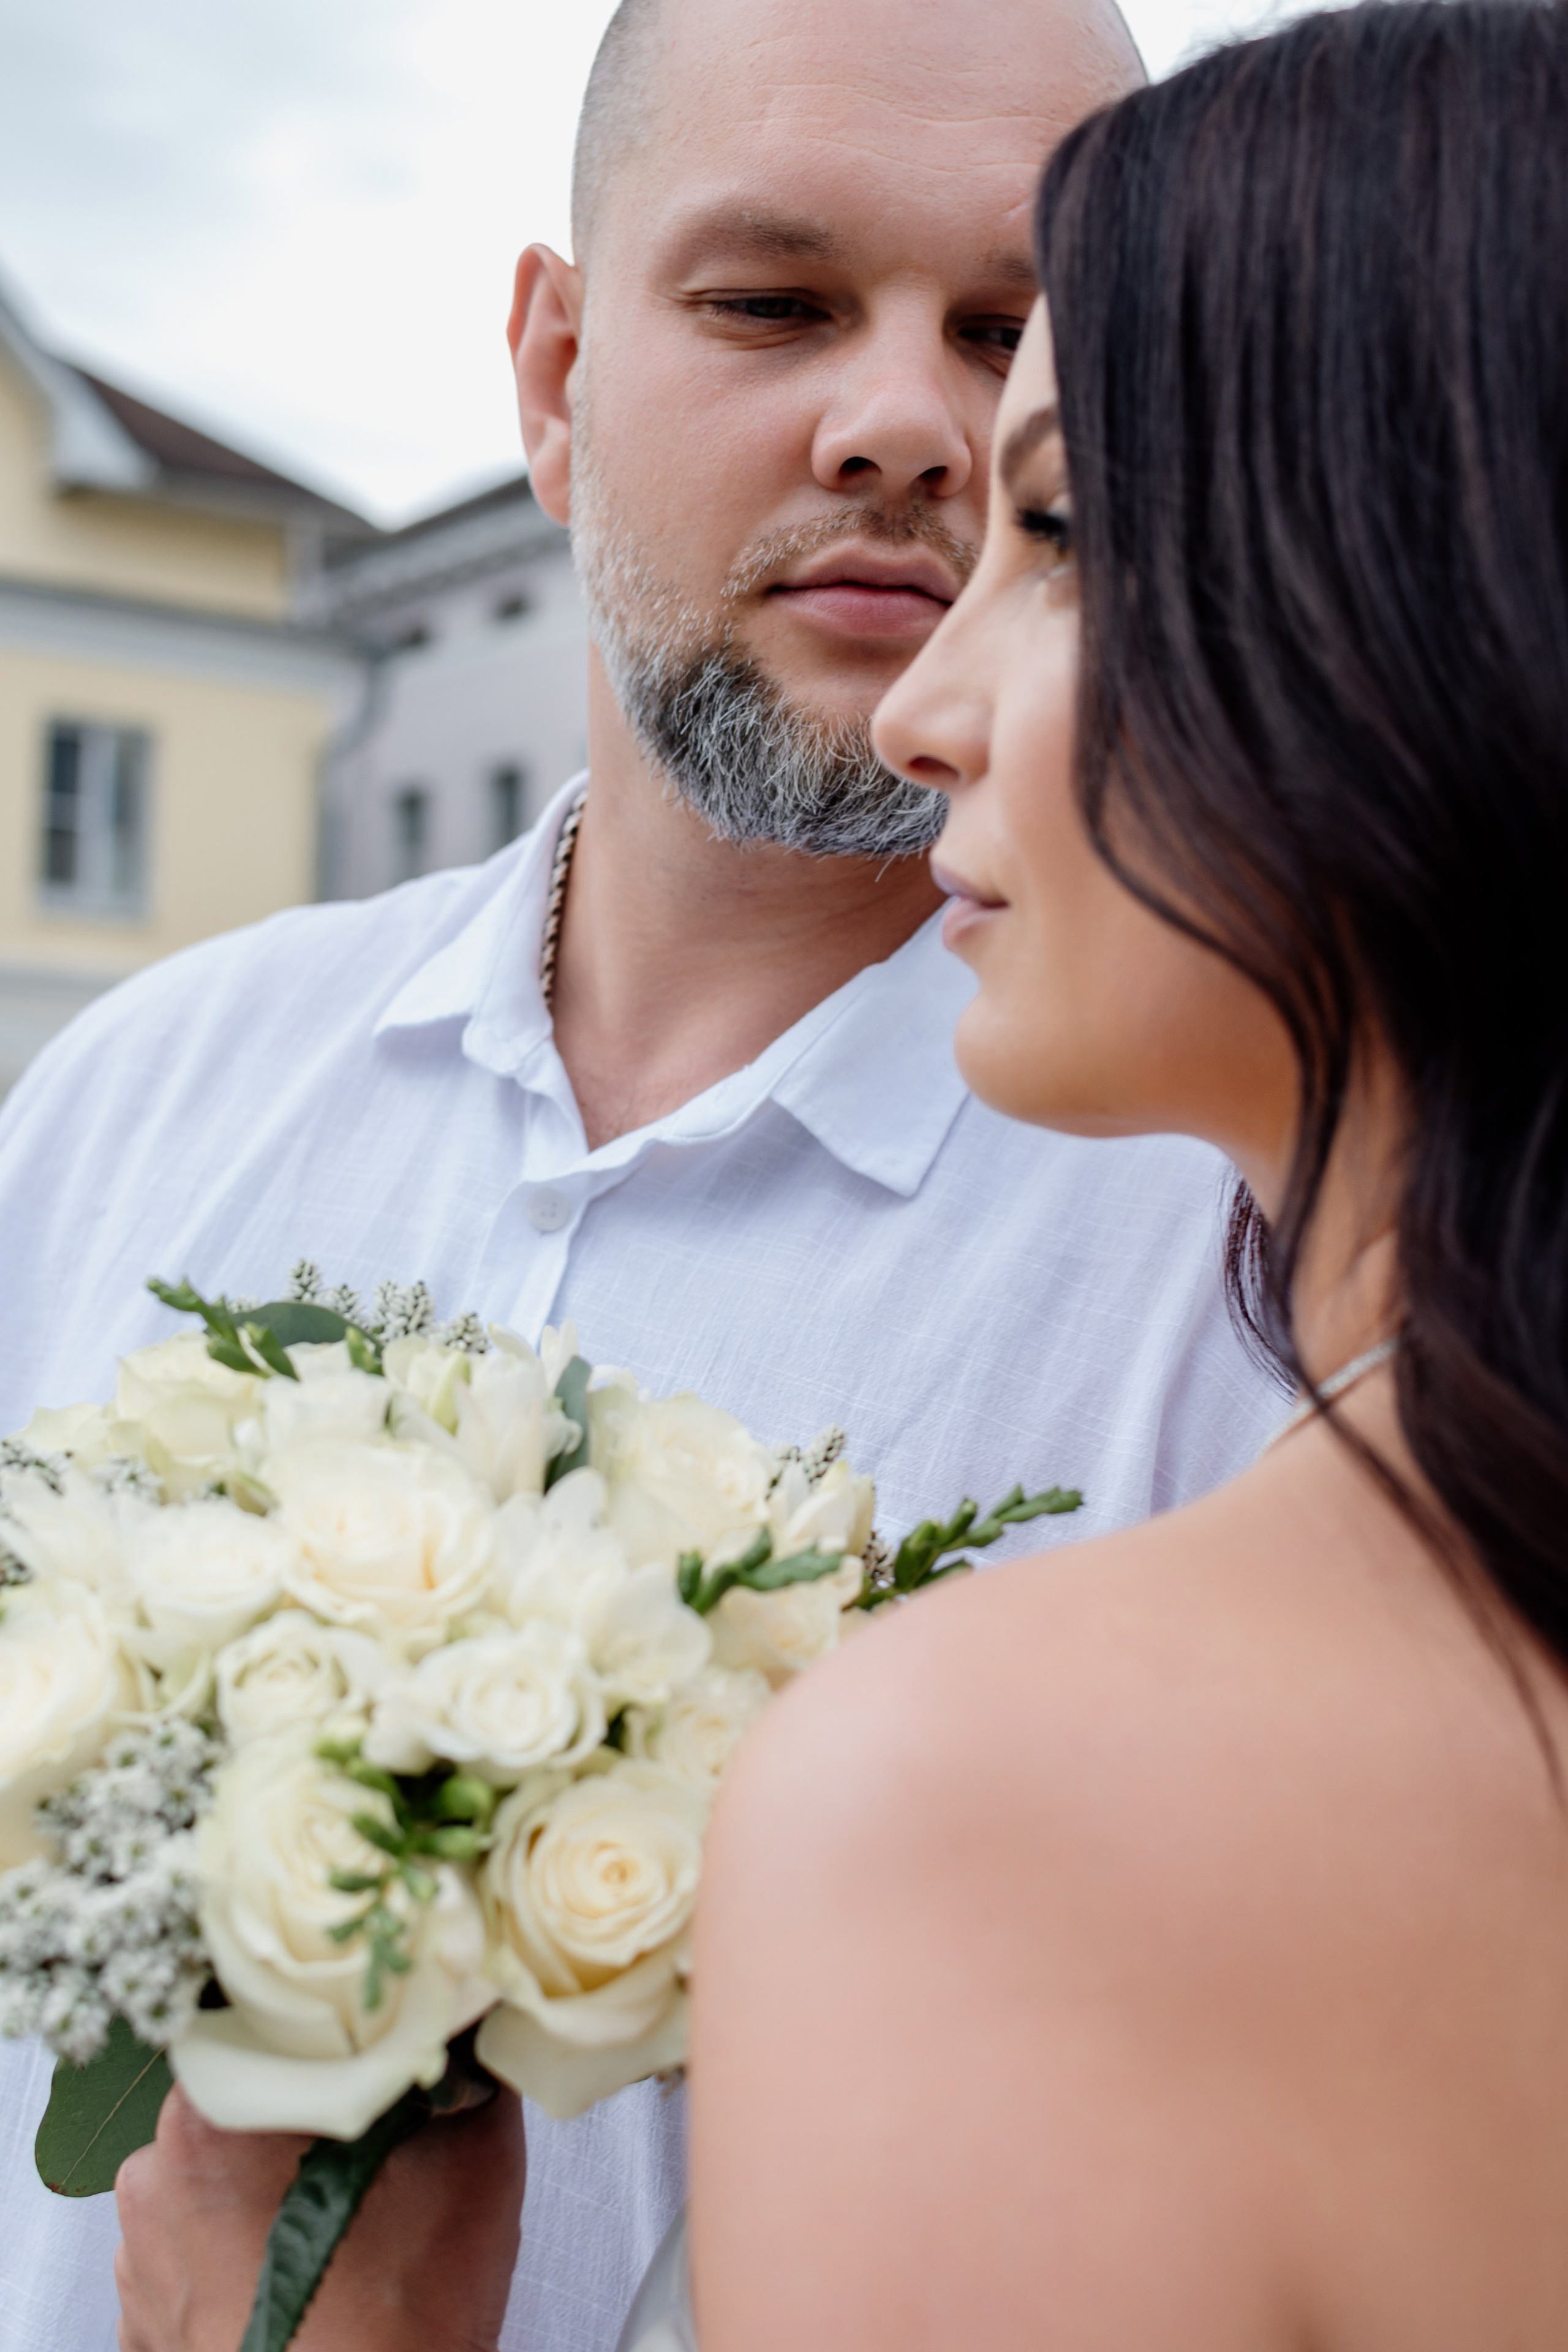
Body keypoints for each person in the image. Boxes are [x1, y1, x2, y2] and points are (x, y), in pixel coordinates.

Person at [115, 1, 1568, 2344]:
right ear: (557, 375)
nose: (908, 436)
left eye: (1048, 468)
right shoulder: (135, 1096)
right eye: (774, 302)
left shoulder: (1178, 1419)